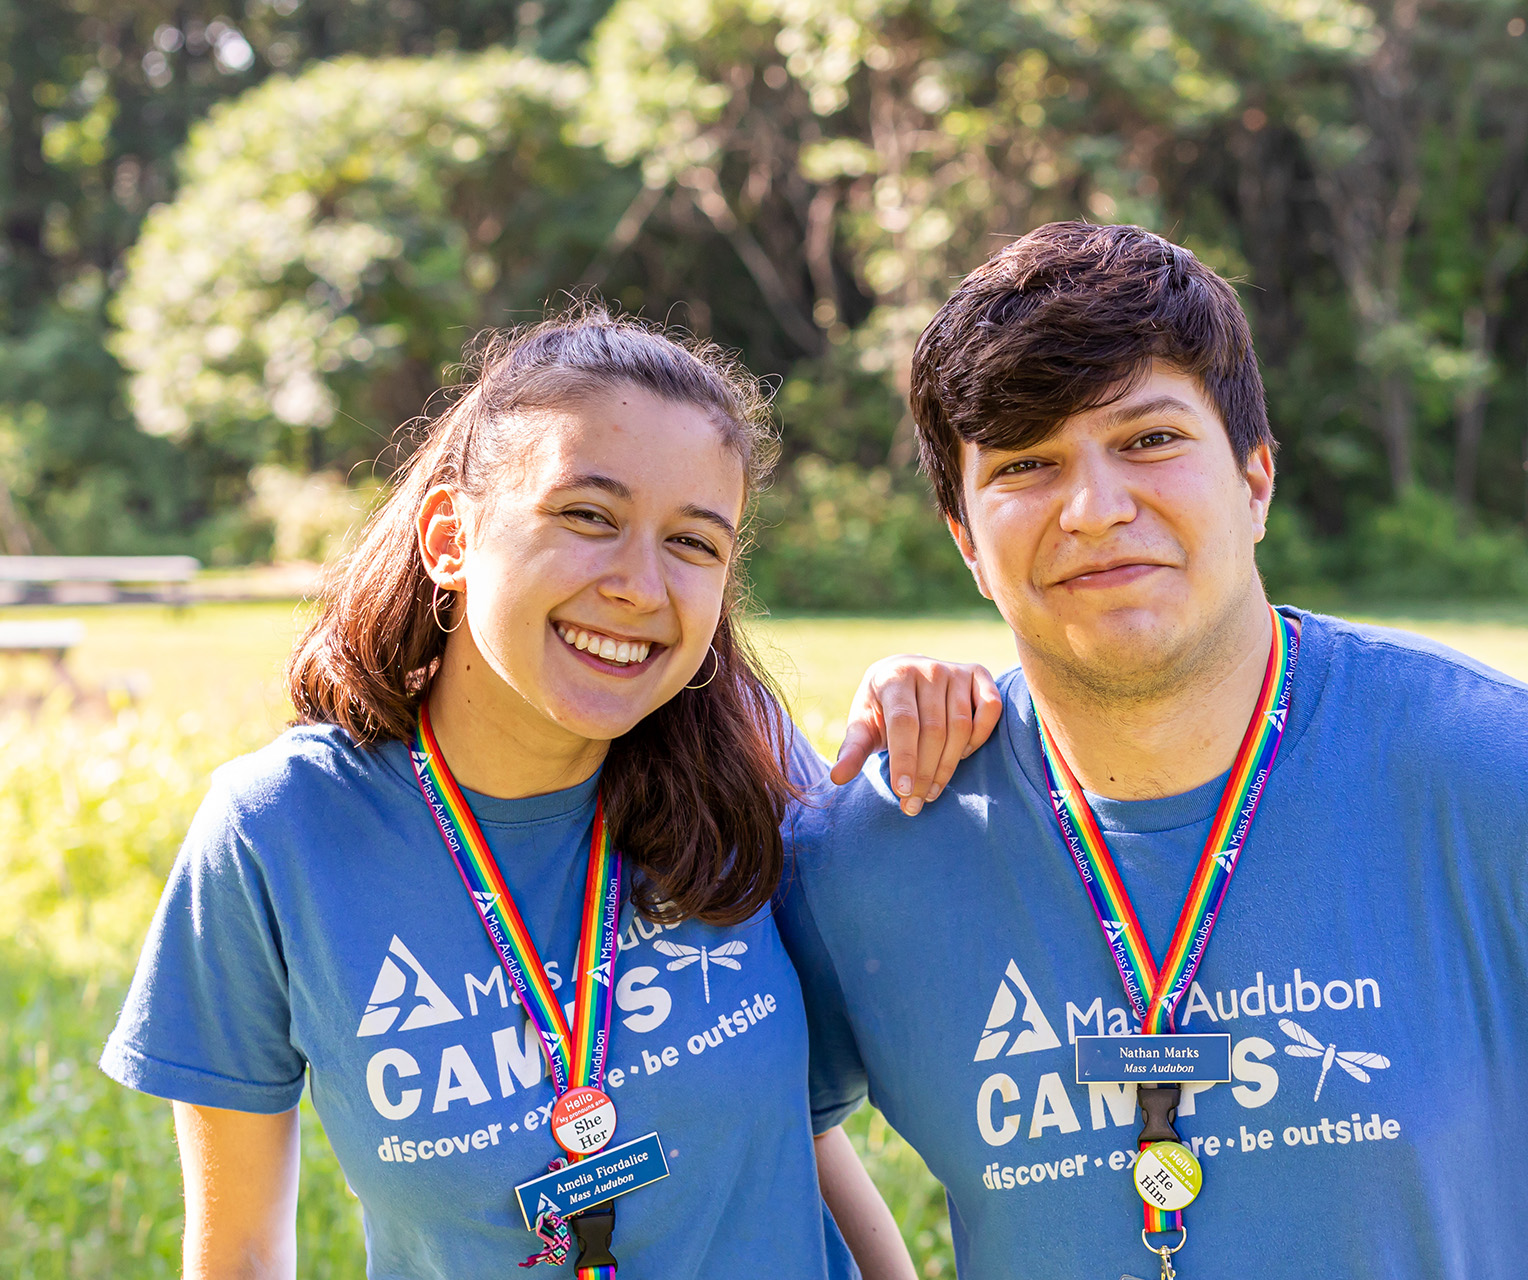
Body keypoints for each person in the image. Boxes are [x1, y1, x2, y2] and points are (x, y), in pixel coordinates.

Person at [775, 222, 1528, 1279]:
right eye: (1025, 464)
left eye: (1150, 438)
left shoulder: (1514, 785)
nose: (1094, 505)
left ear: (1255, 477)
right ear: (968, 539)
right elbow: (728, 1110)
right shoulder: (882, 844)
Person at [100, 309, 1004, 1280]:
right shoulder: (276, 834)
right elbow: (236, 1250)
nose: (638, 584)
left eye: (695, 543)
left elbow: (803, 1139)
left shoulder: (745, 766)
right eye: (588, 516)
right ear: (451, 535)